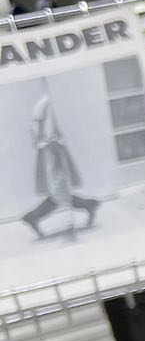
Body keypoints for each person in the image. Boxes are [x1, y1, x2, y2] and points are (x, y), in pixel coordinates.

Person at [22, 92, 100, 237]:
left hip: (53, 149)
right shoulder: (45, 103)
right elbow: (36, 125)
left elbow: (42, 128)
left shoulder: (50, 102)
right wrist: (43, 142)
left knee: (59, 189)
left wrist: (46, 142)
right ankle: (89, 205)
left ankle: (34, 217)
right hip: (51, 150)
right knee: (58, 189)